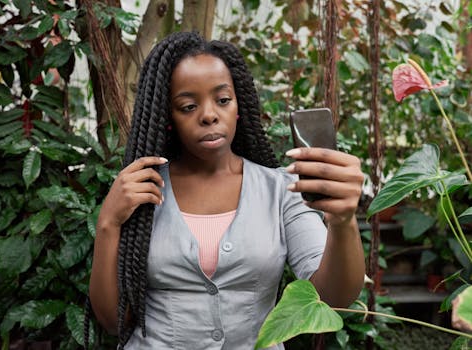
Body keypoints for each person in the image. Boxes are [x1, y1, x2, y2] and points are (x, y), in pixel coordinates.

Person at [89, 31, 365, 349]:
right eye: (188, 106)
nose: (209, 115)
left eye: (222, 100)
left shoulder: (283, 190)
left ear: (238, 106)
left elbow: (330, 298)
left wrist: (344, 223)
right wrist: (108, 222)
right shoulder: (142, 190)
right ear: (168, 117)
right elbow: (113, 322)